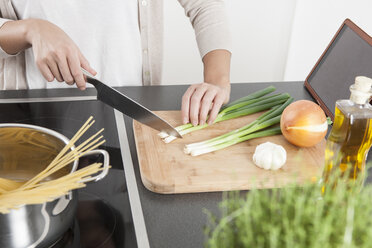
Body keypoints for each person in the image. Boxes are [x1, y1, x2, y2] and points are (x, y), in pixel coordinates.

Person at [0, 0, 231, 126]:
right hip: (34, 120)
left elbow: (204, 5)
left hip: (132, 116)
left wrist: (217, 81)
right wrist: (29, 30)